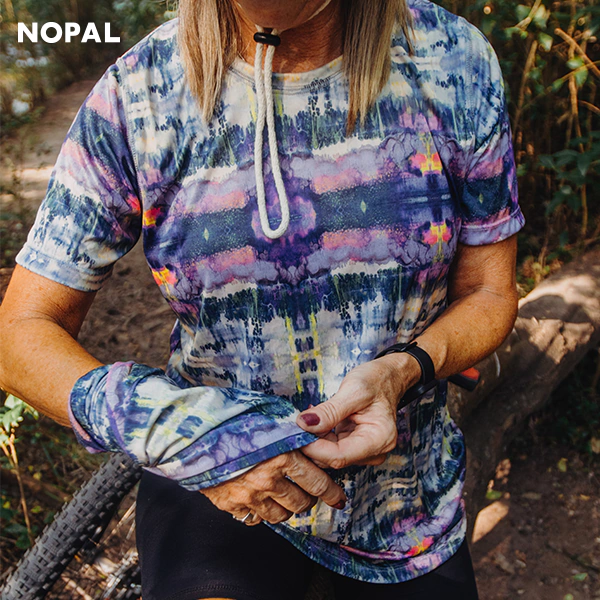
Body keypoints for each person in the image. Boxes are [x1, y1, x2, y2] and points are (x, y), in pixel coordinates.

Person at [0, 0, 525, 598]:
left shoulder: (448, 59)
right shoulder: (140, 93)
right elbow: (20, 332)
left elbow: (489, 291)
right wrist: (188, 434)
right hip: (211, 488)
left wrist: (404, 370)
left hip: (403, 502)